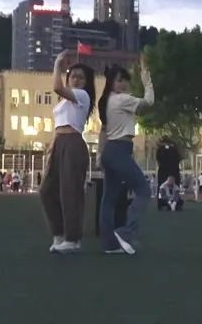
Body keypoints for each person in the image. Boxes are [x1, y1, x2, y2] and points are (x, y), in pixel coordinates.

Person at [39, 51, 95, 254]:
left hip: (72, 142)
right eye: (73, 76)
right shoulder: (64, 101)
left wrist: (57, 64)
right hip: (59, 142)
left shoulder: (82, 95)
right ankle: (59, 234)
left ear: (86, 83)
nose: (76, 80)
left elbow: (56, 87)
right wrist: (52, 145)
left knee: (70, 191)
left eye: (81, 77)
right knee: (47, 190)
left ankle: (73, 239)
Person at [98, 56, 154, 255]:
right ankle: (125, 233)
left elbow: (103, 130)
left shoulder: (108, 101)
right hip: (120, 150)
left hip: (110, 150)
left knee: (108, 199)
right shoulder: (121, 99)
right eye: (119, 80)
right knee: (143, 190)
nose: (123, 84)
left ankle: (110, 244)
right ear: (111, 82)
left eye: (125, 80)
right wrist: (146, 77)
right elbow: (149, 101)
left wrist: (99, 154)